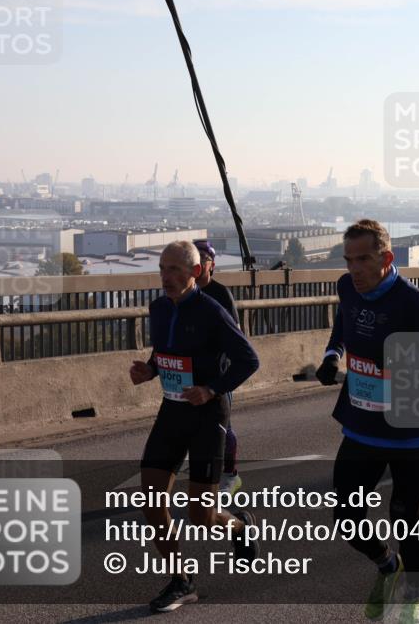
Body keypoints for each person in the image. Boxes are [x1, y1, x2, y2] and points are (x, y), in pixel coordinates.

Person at [314, 219, 419, 624]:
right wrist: (333, 354)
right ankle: (386, 566)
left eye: (363, 259)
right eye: (349, 259)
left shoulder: (411, 302)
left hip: (408, 430)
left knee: (404, 518)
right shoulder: (347, 287)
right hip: (360, 425)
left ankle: (414, 597)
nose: (354, 268)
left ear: (386, 258)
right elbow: (344, 322)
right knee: (346, 519)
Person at [130, 241, 261, 613]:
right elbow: (164, 351)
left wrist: (211, 388)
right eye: (162, 269)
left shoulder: (212, 311)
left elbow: (249, 360)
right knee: (150, 499)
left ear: (195, 272)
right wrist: (150, 370)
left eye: (174, 270)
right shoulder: (157, 307)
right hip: (172, 410)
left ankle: (239, 526)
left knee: (201, 517)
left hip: (208, 414)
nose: (166, 277)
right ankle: (181, 581)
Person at [192, 239, 242, 495]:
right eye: (194, 257)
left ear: (212, 264)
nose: (199, 262)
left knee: (224, 426)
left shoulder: (221, 293)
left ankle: (230, 475)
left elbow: (237, 335)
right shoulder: (184, 292)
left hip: (219, 373)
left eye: (204, 257)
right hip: (189, 374)